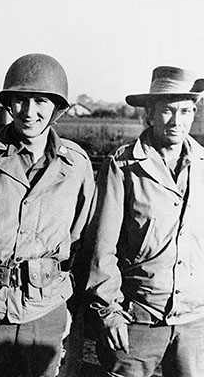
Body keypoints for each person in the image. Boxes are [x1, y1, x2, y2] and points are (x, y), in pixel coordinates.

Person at [0, 53, 95, 377]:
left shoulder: (76, 166)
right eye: (20, 100)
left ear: (57, 107)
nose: (29, 112)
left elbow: (82, 237)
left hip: (44, 312)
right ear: (8, 104)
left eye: (40, 101)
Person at [85, 66, 204, 377]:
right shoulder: (123, 166)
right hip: (138, 319)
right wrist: (110, 313)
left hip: (195, 323)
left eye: (185, 111)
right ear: (150, 114)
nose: (177, 121)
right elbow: (101, 249)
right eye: (167, 111)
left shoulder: (203, 166)